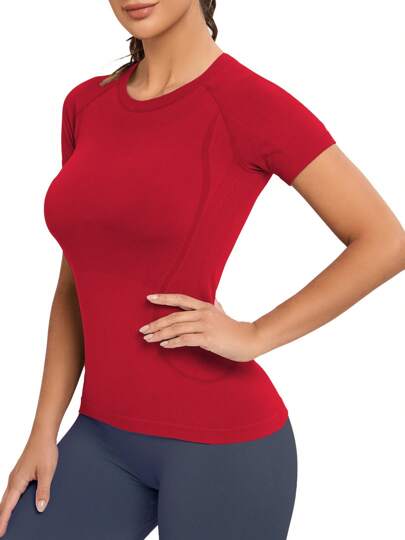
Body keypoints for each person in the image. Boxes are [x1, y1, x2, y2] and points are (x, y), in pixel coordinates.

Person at [1, 1, 404, 539]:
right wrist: (43, 429)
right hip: (101, 436)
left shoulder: (250, 104)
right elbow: (74, 283)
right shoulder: (85, 104)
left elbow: (384, 241)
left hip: (224, 447)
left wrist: (254, 334)